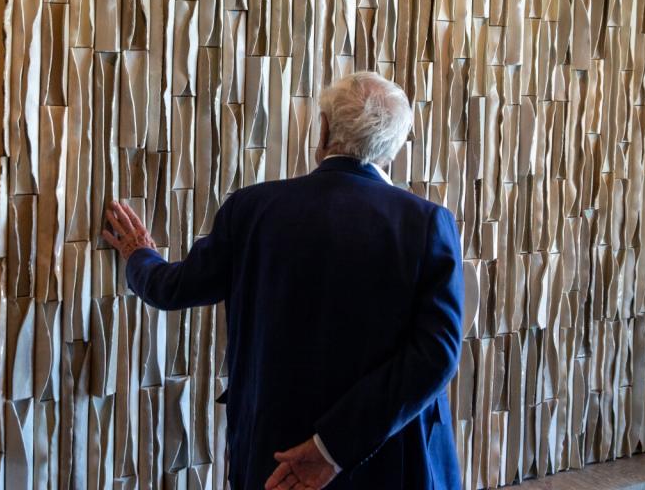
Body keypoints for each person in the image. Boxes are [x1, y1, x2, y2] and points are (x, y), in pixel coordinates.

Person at [101, 71, 464, 489]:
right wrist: (332, 448)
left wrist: (138, 254)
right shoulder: (427, 225)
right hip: (387, 460)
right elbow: (436, 355)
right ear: (394, 147)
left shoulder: (252, 210)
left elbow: (173, 288)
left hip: (272, 454)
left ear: (323, 129)